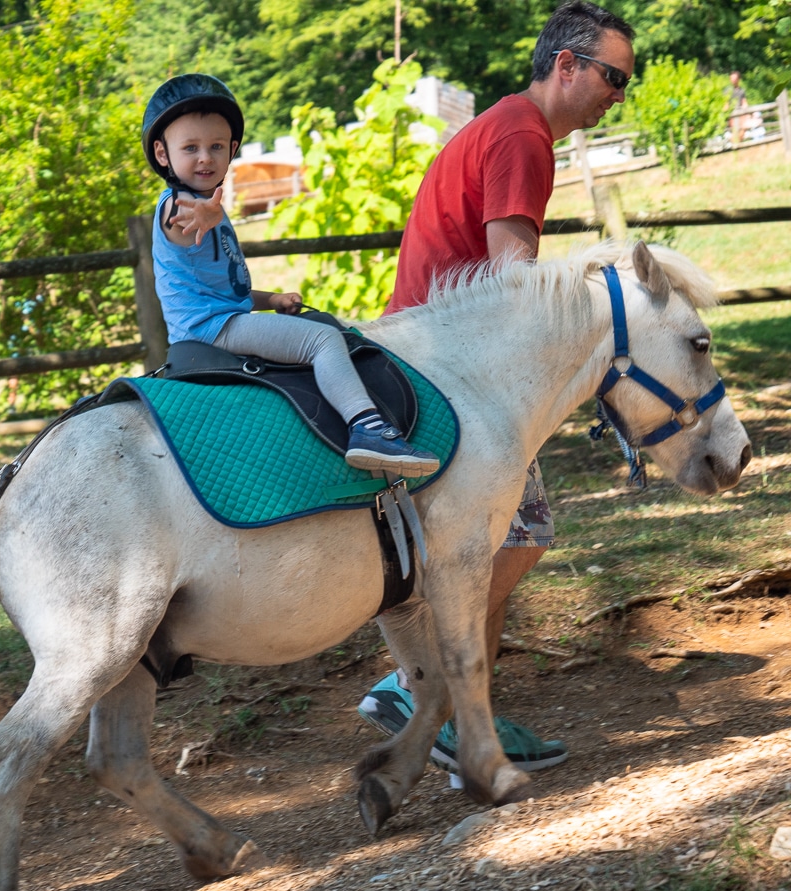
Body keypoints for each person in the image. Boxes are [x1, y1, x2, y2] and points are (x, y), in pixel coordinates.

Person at [357, 0, 635, 777]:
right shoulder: (522, 136)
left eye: (624, 84)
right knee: (522, 533)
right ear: (567, 65)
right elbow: (514, 285)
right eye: (612, 77)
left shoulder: (506, 125)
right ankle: (423, 689)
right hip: (452, 373)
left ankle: (447, 702)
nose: (617, 95)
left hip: (426, 359)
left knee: (507, 539)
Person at [143, 73, 439, 478]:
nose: (205, 158)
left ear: (232, 150)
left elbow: (227, 289)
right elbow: (176, 219)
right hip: (211, 330)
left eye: (215, 147)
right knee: (322, 339)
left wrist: (271, 301)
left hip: (220, 319)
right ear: (163, 154)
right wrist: (207, 213)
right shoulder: (178, 205)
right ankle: (366, 428)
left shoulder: (208, 206)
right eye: (190, 148)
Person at [727, 71, 749, 146]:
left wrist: (746, 110)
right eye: (732, 78)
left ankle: (738, 142)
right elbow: (726, 104)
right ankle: (735, 142)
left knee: (745, 123)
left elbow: (744, 102)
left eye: (735, 78)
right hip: (732, 114)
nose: (733, 80)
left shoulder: (741, 91)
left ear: (738, 79)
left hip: (740, 113)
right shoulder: (727, 91)